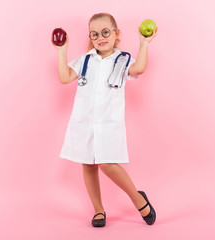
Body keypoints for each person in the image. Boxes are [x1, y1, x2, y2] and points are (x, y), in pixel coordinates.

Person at [52, 13, 158, 227]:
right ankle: (99, 210)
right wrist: (61, 51)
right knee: (88, 164)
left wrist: (144, 43)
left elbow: (139, 69)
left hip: (109, 123)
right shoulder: (85, 60)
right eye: (95, 34)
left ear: (116, 34)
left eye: (105, 32)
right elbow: (64, 77)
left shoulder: (123, 59)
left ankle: (138, 199)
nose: (100, 37)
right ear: (90, 37)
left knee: (107, 164)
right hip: (84, 122)